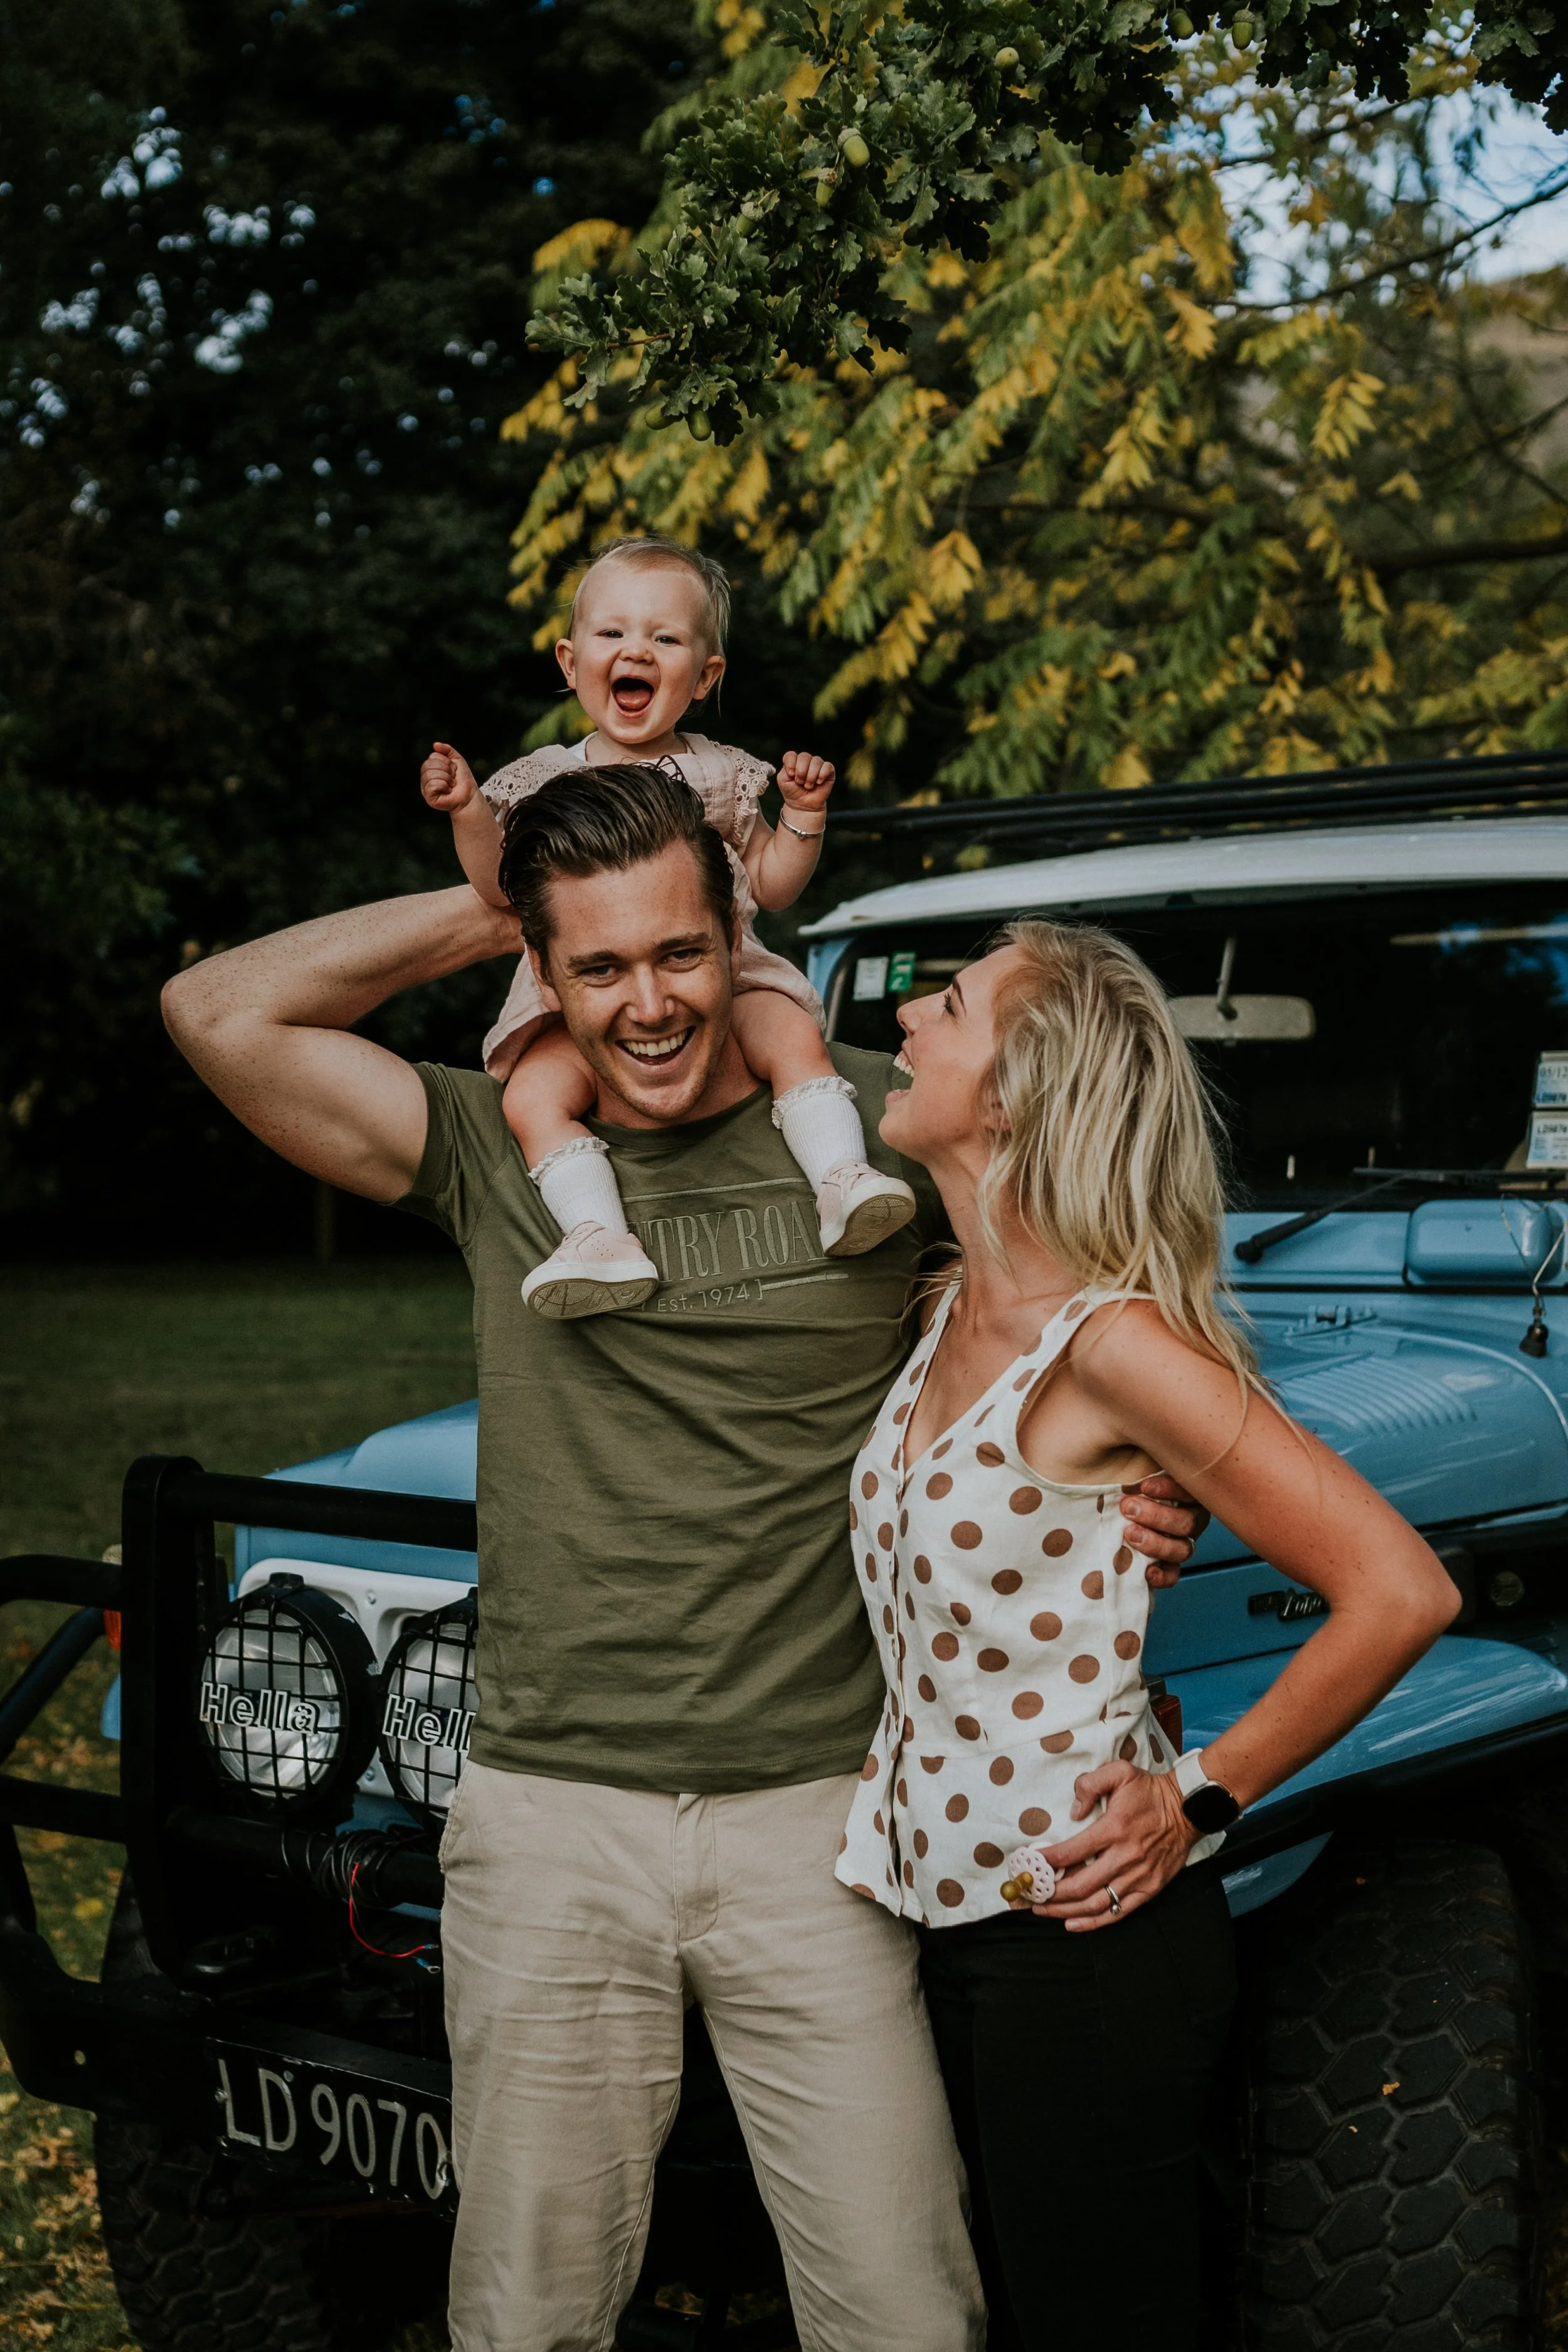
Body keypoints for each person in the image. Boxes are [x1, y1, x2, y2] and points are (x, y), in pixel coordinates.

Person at [160, 765, 1206, 2352]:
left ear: (739, 930)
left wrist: (1144, 1483)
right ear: (546, 969)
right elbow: (217, 1010)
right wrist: (489, 902)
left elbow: (1083, 1295)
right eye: (596, 965)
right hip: (549, 1822)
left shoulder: (880, 1122)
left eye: (678, 951)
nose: (646, 1005)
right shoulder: (492, 1141)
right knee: (525, 2316)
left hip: (825, 1827)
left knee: (906, 2311)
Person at [837, 920, 1461, 2351]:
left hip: (1083, 1942)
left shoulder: (1113, 1344)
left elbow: (1398, 1585)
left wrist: (1201, 1792)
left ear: (1016, 1091)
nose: (909, 1024)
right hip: (941, 1919)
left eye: (947, 1004)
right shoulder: (941, 1307)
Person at [420, 534, 915, 1318]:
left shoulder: (721, 773)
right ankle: (595, 1234)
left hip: (727, 972)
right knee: (532, 1098)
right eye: (612, 633)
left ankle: (841, 1178)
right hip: (574, 1000)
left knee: (791, 1039)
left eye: (664, 636)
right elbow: (500, 889)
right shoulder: (547, 778)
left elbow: (773, 887)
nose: (635, 650)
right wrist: (468, 812)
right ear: (569, 660)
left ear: (704, 676)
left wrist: (805, 818)